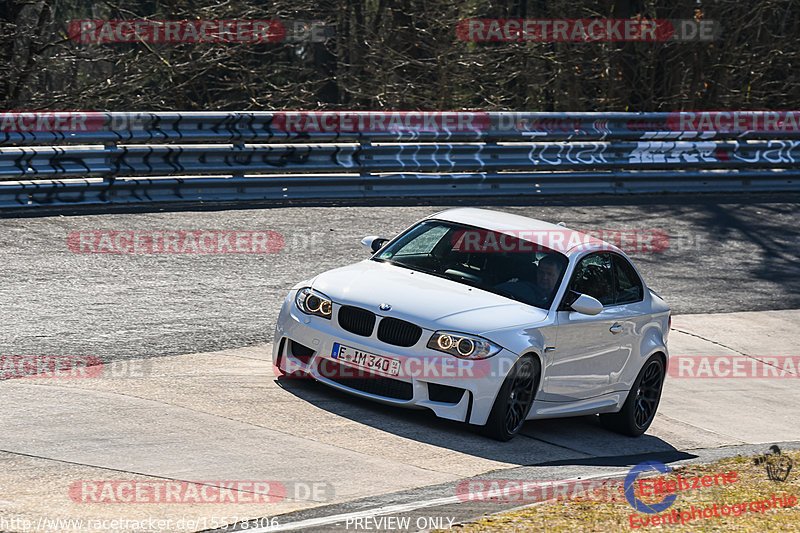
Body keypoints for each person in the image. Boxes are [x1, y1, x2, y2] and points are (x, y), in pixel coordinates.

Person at [495, 254, 564, 306]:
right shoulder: (521, 289)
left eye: (549, 274)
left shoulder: (562, 298)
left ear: (559, 276)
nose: (544, 277)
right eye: (541, 272)